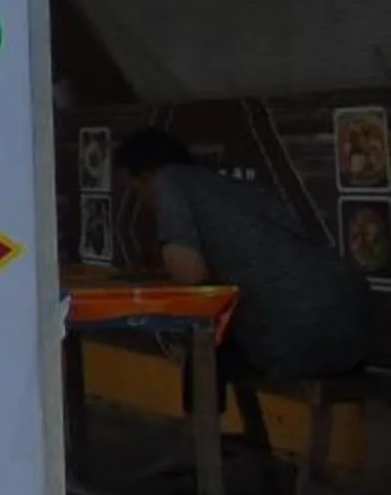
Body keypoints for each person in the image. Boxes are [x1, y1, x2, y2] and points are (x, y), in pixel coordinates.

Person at [114, 129, 372, 380]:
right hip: (356, 333)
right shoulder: (235, 189)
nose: (143, 203)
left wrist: (164, 267)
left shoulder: (168, 180)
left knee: (199, 352)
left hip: (296, 339)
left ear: (147, 175)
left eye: (136, 191)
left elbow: (189, 274)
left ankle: (202, 423)